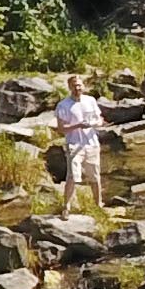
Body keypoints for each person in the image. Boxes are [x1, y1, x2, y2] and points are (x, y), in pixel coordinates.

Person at [51, 75, 106, 211]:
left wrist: (95, 123)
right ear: (69, 87)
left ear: (83, 86)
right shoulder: (63, 105)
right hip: (74, 144)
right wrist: (78, 126)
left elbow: (100, 120)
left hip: (92, 143)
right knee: (72, 176)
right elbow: (61, 128)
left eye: (79, 85)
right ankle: (66, 206)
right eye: (74, 85)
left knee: (95, 175)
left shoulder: (90, 100)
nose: (77, 88)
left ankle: (98, 205)